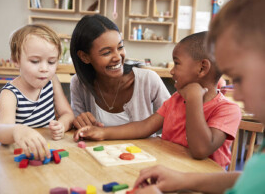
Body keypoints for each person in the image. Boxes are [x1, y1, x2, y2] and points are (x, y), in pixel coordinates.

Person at [134, 0, 265, 193]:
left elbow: (201, 150)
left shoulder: (224, 108)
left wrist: (195, 97)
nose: (236, 95)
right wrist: (184, 180)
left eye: (238, 78)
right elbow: (247, 180)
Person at [74, 31, 242, 168]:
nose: (172, 71)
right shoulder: (176, 100)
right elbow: (144, 126)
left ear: (202, 68)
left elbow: (200, 150)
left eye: (177, 63)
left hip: (203, 185)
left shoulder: (227, 110)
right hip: (170, 173)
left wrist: (194, 99)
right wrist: (103, 132)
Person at [70, 14, 170, 129]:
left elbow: (173, 118)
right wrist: (77, 122)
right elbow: (78, 128)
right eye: (107, 52)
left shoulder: (148, 79)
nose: (117, 57)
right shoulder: (79, 83)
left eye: (120, 47)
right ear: (84, 57)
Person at [0, 24, 74, 161]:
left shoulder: (52, 81)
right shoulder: (10, 94)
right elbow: (1, 131)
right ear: (16, 60)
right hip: (21, 153)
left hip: (48, 150)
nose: (44, 68)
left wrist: (62, 125)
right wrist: (17, 130)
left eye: (51, 62)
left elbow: (68, 114)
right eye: (35, 61)